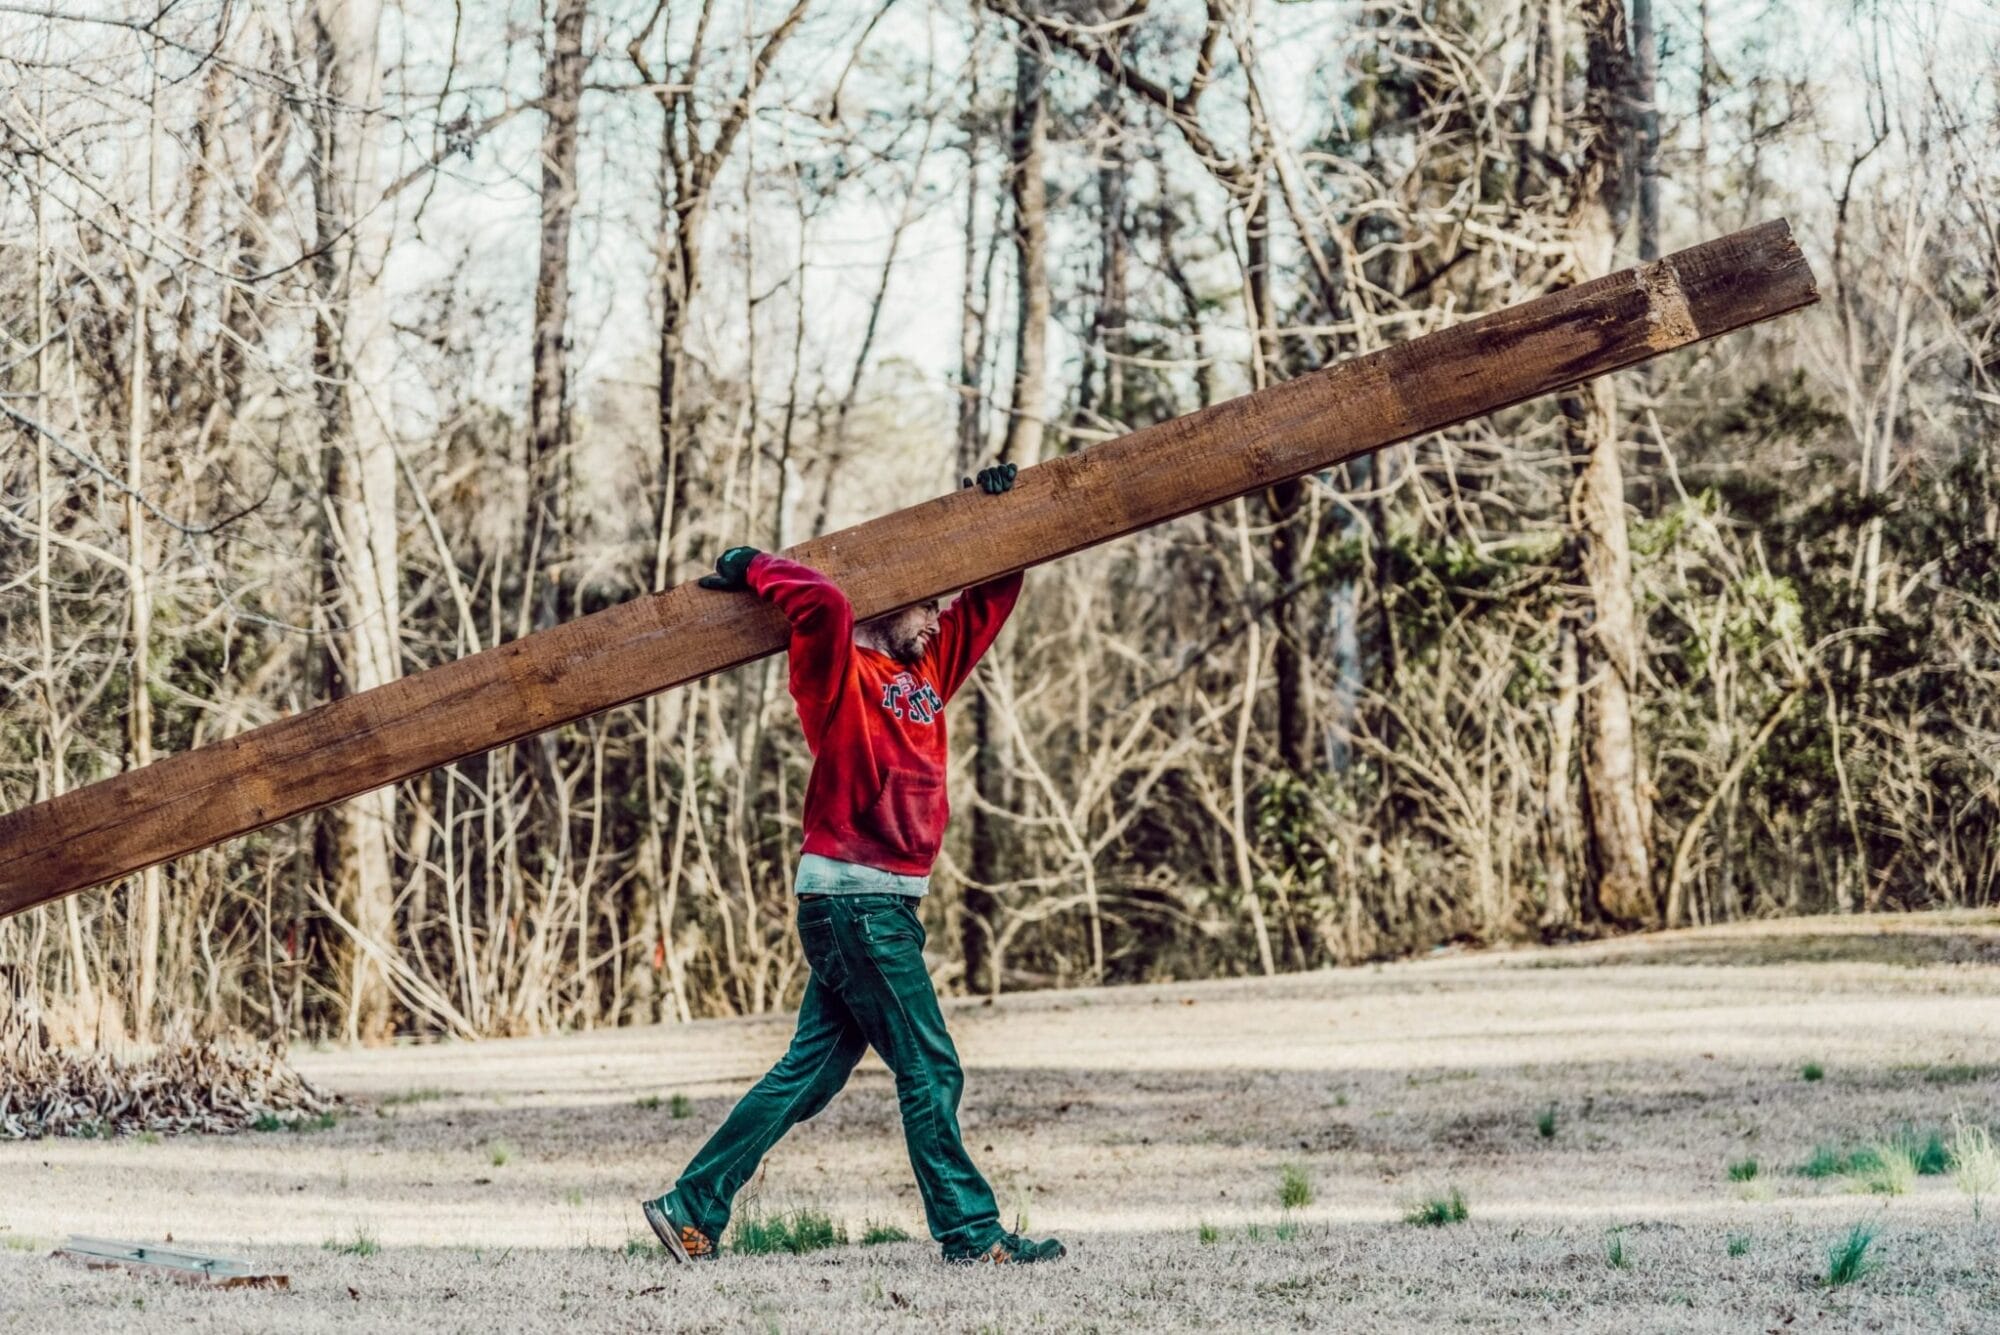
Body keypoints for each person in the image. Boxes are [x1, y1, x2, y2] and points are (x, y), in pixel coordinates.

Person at [641, 463, 1065, 1266]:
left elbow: (992, 595)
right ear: (892, 596)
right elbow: (826, 602)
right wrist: (752, 566)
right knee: (930, 1062)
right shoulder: (840, 671)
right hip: (856, 900)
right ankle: (972, 1234)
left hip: (880, 903)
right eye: (929, 601)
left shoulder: (926, 672)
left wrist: (998, 515)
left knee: (812, 1072)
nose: (942, 618)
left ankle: (689, 1205)